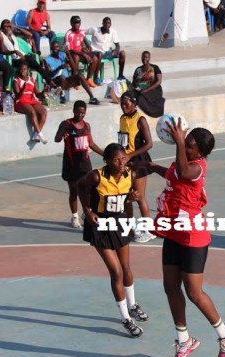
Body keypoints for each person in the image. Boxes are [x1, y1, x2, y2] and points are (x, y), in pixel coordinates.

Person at [145, 121, 225, 357]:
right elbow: (174, 173)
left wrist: (177, 141)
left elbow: (184, 173)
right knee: (170, 286)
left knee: (194, 292)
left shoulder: (197, 167)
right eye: (185, 144)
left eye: (189, 146)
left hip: (193, 236)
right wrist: (153, 167)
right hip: (174, 231)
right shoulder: (181, 163)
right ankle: (184, 339)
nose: (185, 148)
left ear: (200, 153)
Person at [77, 143, 150, 338]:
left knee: (126, 267)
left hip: (120, 224)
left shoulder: (130, 175)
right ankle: (125, 317)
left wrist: (131, 198)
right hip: (100, 227)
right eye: (117, 160)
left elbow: (123, 200)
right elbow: (80, 186)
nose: (122, 162)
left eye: (124, 158)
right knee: (116, 271)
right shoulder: (96, 176)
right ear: (107, 161)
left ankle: (132, 305)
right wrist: (87, 210)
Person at [55, 100, 104, 228]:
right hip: (71, 164)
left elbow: (91, 144)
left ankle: (86, 213)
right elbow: (56, 138)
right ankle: (74, 217)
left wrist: (106, 154)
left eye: (83, 113)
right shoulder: (66, 124)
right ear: (74, 111)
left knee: (88, 190)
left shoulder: (87, 126)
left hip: (85, 164)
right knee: (74, 191)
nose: (80, 115)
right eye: (78, 112)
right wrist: (62, 135)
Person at [118, 91, 155, 243]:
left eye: (126, 104)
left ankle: (149, 230)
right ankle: (130, 226)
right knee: (127, 198)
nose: (123, 107)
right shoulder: (122, 118)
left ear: (134, 104)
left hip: (138, 161)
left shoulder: (141, 120)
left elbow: (149, 144)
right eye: (121, 104)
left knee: (139, 197)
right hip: (125, 162)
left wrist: (130, 155)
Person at [44, 41, 100, 105]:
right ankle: (62, 96)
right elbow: (48, 75)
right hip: (55, 83)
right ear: (51, 49)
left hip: (66, 81)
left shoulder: (62, 55)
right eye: (54, 48)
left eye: (57, 47)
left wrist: (68, 54)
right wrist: (59, 68)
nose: (56, 49)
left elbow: (74, 68)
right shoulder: (47, 59)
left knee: (80, 75)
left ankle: (92, 98)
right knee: (62, 77)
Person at [0, 19, 51, 85]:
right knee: (25, 64)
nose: (8, 28)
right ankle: (24, 84)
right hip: (12, 59)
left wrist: (16, 27)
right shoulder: (1, 36)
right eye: (6, 26)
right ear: (2, 27)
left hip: (22, 55)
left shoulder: (12, 33)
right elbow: (1, 51)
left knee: (36, 64)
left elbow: (30, 35)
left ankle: (49, 81)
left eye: (9, 26)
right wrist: (14, 52)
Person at [13, 60, 48, 143]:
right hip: (21, 101)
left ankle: (35, 134)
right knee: (32, 112)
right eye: (21, 69)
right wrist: (22, 89)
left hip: (31, 100)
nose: (23, 71)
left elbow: (38, 94)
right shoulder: (16, 81)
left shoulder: (32, 80)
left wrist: (43, 92)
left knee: (44, 111)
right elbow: (17, 96)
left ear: (28, 70)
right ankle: (40, 134)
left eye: (24, 69)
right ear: (18, 70)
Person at [87, 17, 126, 84]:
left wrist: (116, 50)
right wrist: (86, 45)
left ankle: (120, 75)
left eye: (109, 23)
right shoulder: (95, 30)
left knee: (122, 53)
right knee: (100, 54)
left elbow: (118, 45)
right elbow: (81, 33)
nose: (108, 25)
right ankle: (96, 78)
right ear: (102, 23)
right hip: (95, 52)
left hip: (106, 52)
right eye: (106, 23)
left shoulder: (113, 31)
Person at [65, 15, 99, 88]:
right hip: (72, 53)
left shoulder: (82, 32)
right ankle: (73, 80)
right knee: (76, 57)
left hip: (81, 53)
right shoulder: (69, 34)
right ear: (71, 23)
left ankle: (88, 79)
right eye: (74, 23)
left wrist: (88, 47)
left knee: (95, 58)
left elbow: (84, 40)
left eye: (78, 22)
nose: (76, 24)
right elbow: (70, 49)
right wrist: (84, 54)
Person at [132, 51, 165, 118]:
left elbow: (159, 81)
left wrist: (147, 90)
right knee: (138, 97)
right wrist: (136, 88)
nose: (144, 58)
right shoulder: (138, 70)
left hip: (153, 89)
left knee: (142, 97)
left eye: (146, 57)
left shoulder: (155, 68)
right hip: (140, 90)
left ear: (149, 58)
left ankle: (155, 113)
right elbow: (134, 83)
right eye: (143, 57)